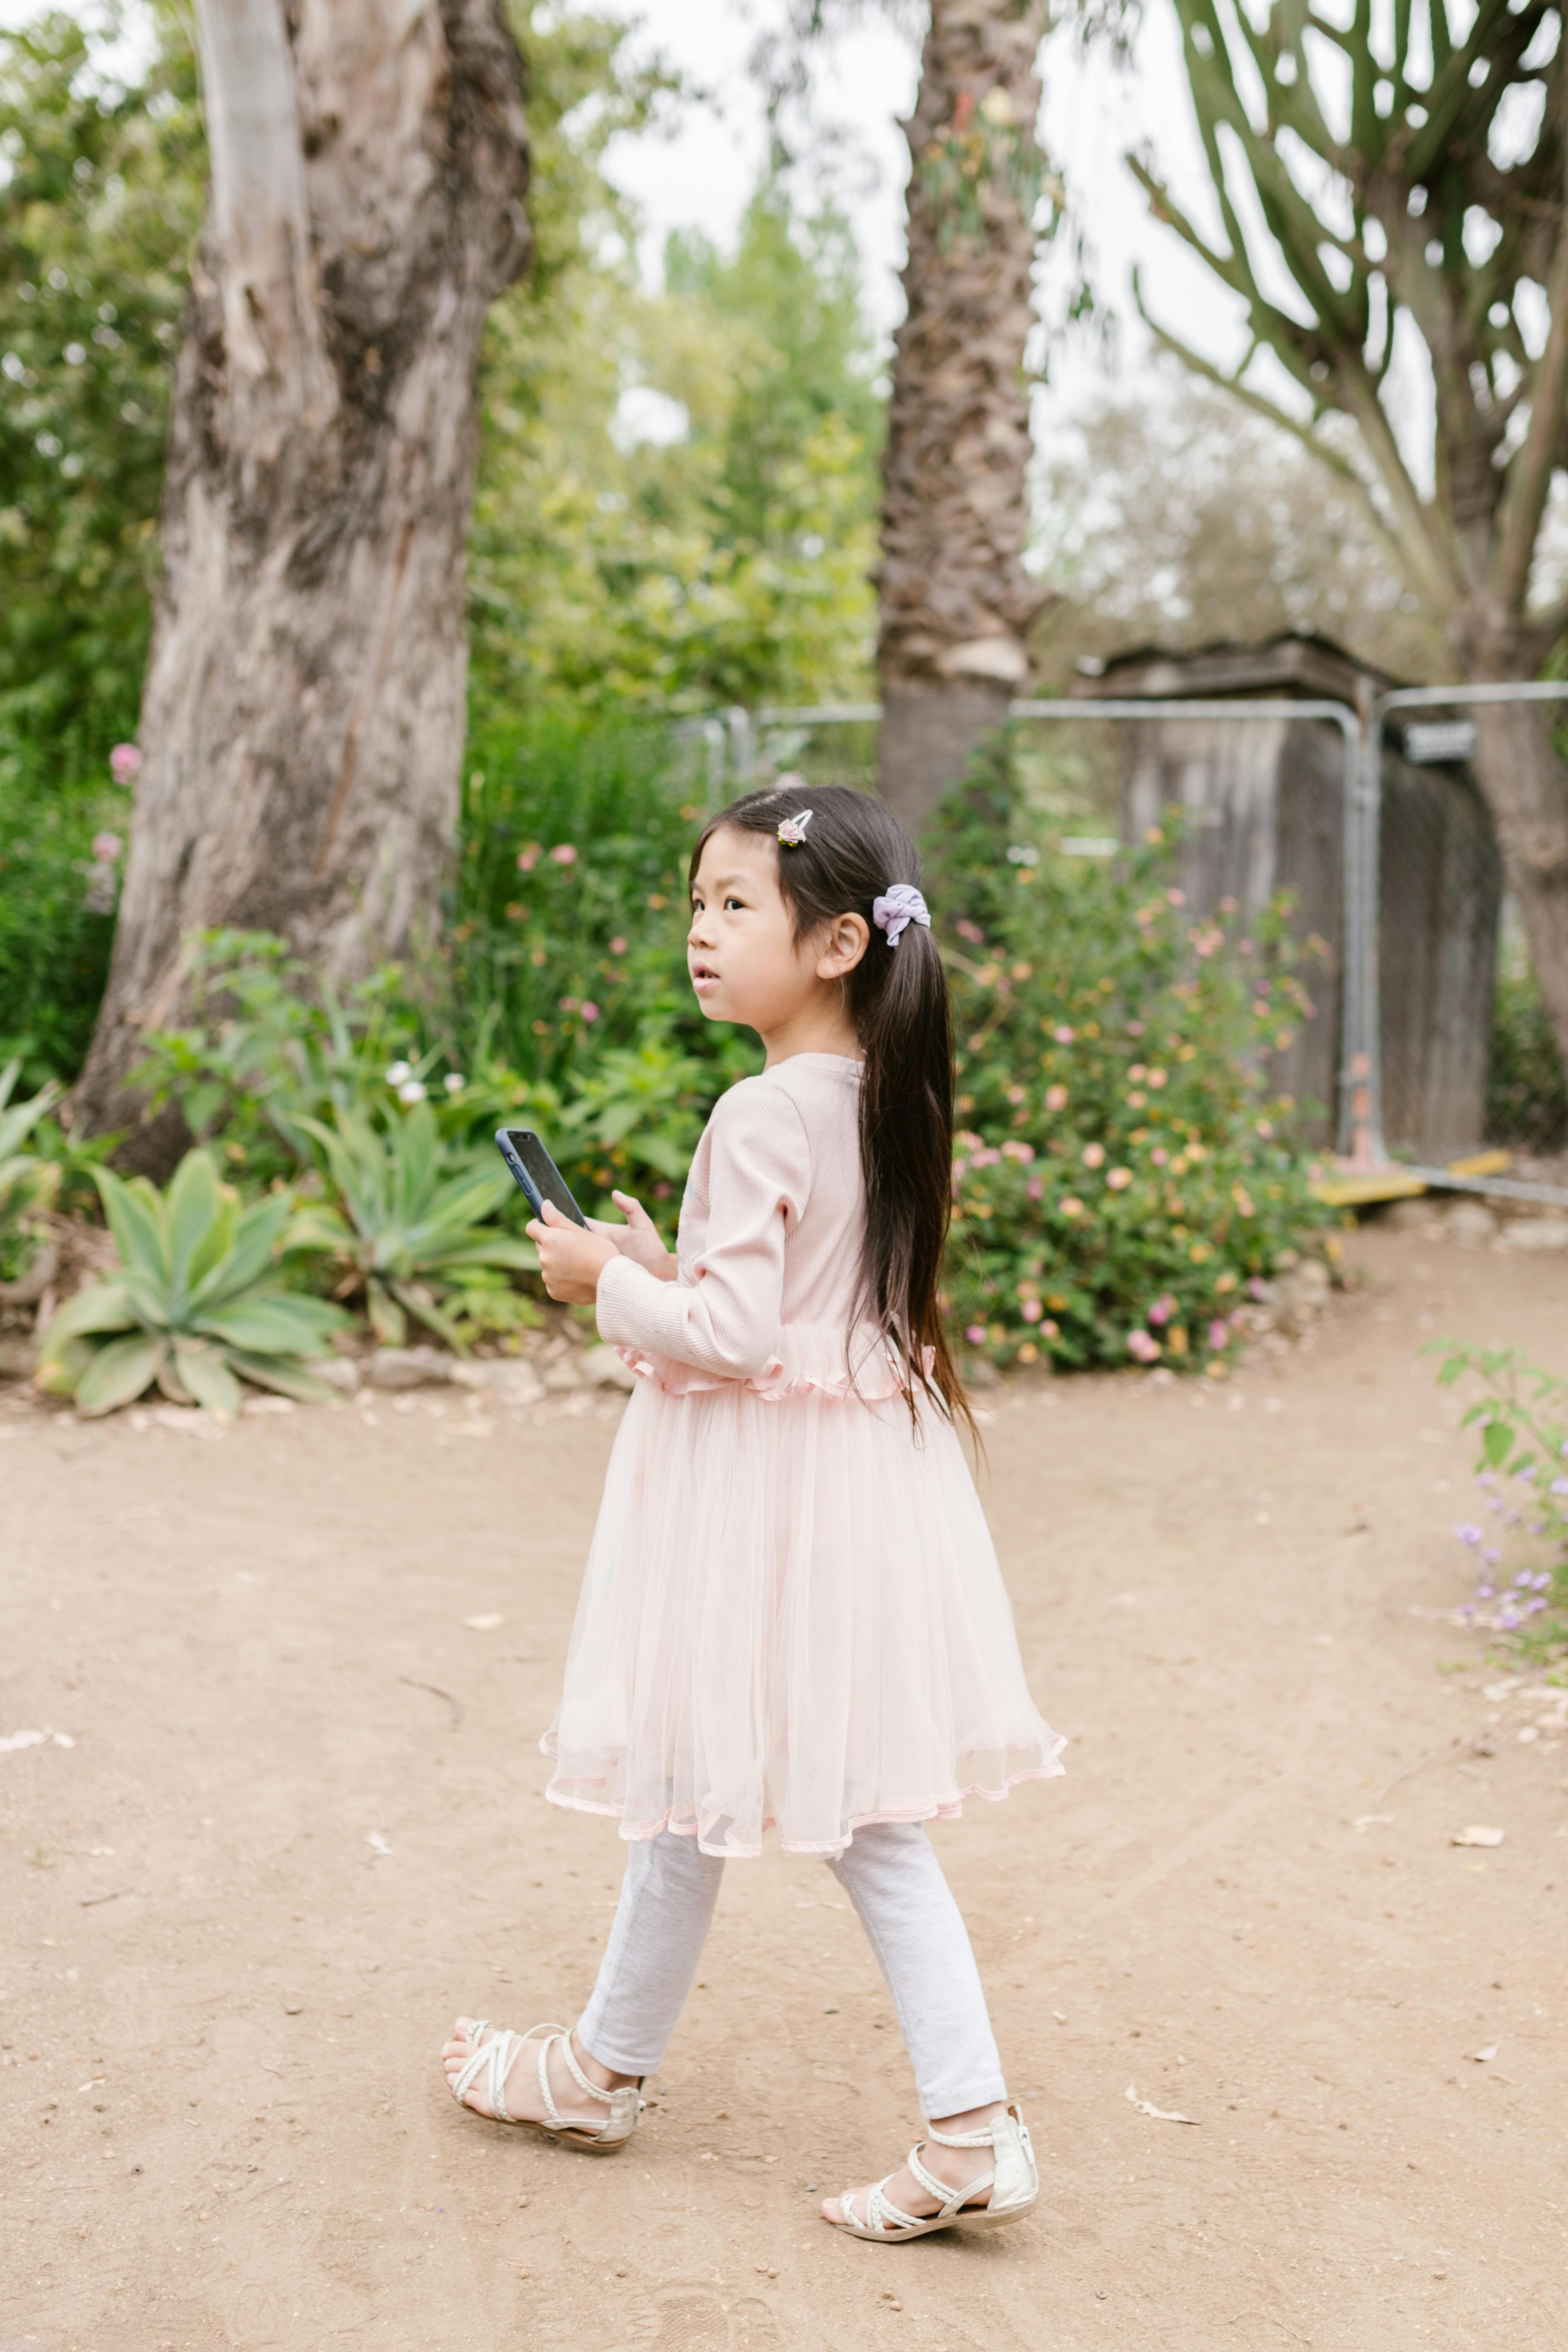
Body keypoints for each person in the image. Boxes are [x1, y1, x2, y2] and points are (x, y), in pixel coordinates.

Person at [441, 784, 1064, 2242]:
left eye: (735, 906)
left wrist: (603, 1283)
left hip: (759, 1511)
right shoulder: (880, 1098)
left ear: (840, 940)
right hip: (848, 1499)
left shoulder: (763, 1107)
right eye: (696, 905)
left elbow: (725, 1343)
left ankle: (966, 2125)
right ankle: (606, 2065)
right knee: (722, 1791)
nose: (700, 934)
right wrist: (658, 1269)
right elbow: (781, 1316)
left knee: (819, 1811)